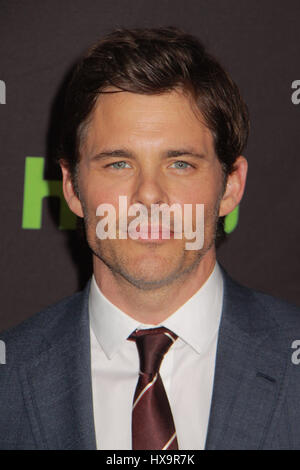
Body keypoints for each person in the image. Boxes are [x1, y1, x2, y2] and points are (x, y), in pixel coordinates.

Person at [1, 26, 300, 451]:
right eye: (119, 163)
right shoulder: (9, 377)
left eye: (179, 163)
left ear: (231, 186)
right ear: (71, 187)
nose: (149, 196)